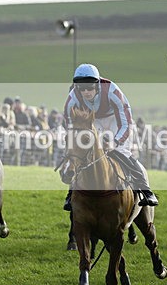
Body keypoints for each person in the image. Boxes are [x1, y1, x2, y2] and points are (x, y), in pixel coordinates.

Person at [62, 63, 158, 209]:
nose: (86, 92)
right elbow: (70, 126)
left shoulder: (112, 91)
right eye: (82, 88)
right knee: (82, 156)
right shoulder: (72, 99)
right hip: (92, 121)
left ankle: (146, 190)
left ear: (97, 85)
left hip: (116, 120)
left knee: (121, 152)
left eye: (90, 88)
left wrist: (115, 141)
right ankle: (71, 194)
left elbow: (126, 122)